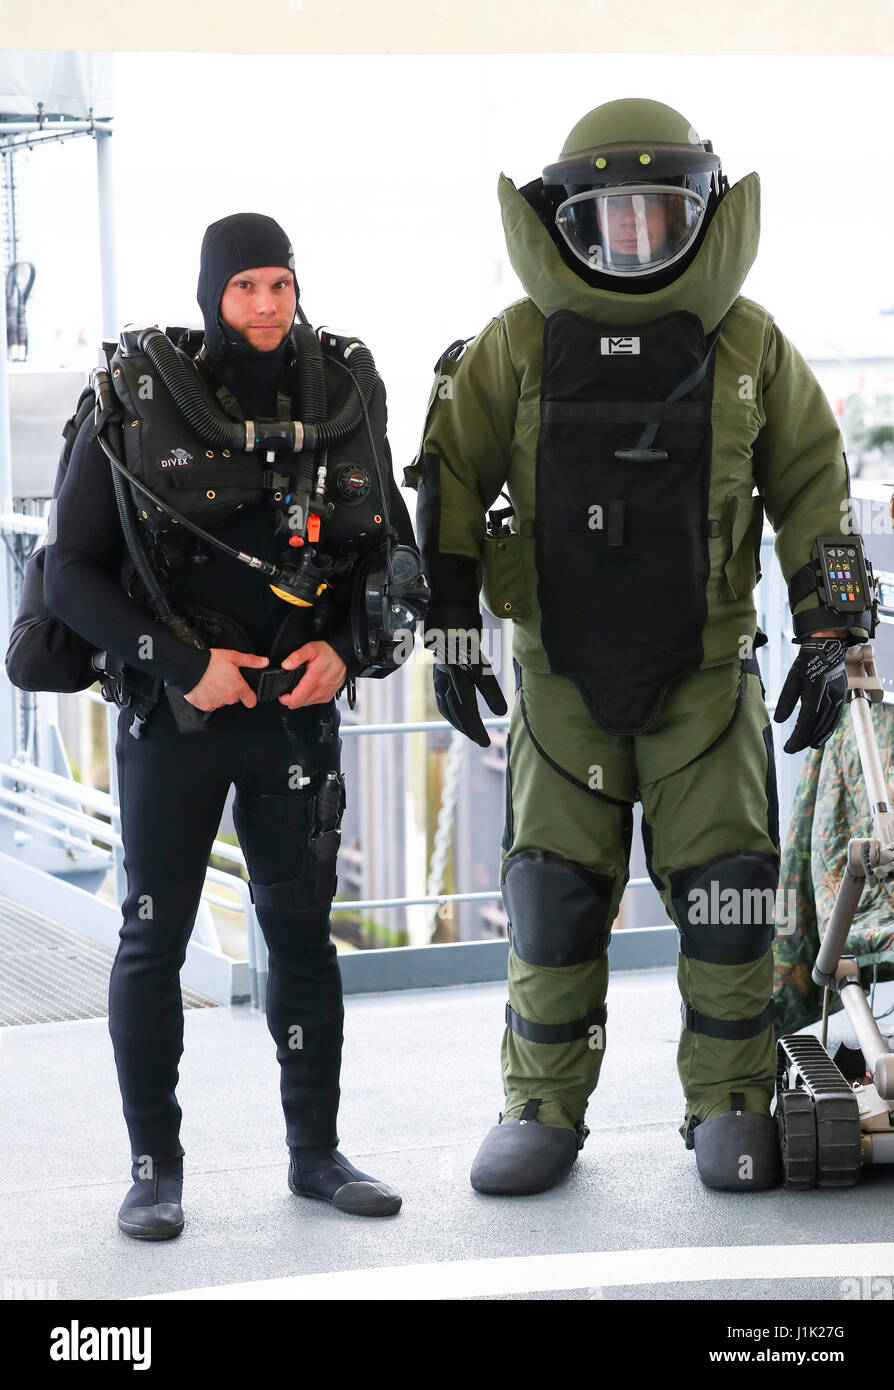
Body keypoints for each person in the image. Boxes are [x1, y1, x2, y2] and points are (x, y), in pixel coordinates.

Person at [405, 98, 871, 1195]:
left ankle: (730, 1100)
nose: (638, 239)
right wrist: (454, 632)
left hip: (706, 682)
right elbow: (451, 486)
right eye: (614, 218)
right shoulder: (514, 346)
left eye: (662, 217)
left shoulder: (748, 343)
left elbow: (813, 483)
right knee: (552, 897)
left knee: (730, 894)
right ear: (571, 222)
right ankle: (540, 1104)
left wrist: (830, 623)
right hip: (560, 681)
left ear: (701, 217)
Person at [44, 212, 418, 1236]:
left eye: (280, 286)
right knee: (153, 938)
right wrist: (182, 664)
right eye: (246, 286)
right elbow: (64, 575)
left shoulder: (342, 393)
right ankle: (153, 1167)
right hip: (177, 719)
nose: (264, 305)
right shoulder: (141, 397)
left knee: (302, 936)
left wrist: (344, 648)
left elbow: (391, 551)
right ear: (216, 292)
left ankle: (316, 1154)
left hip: (294, 719)